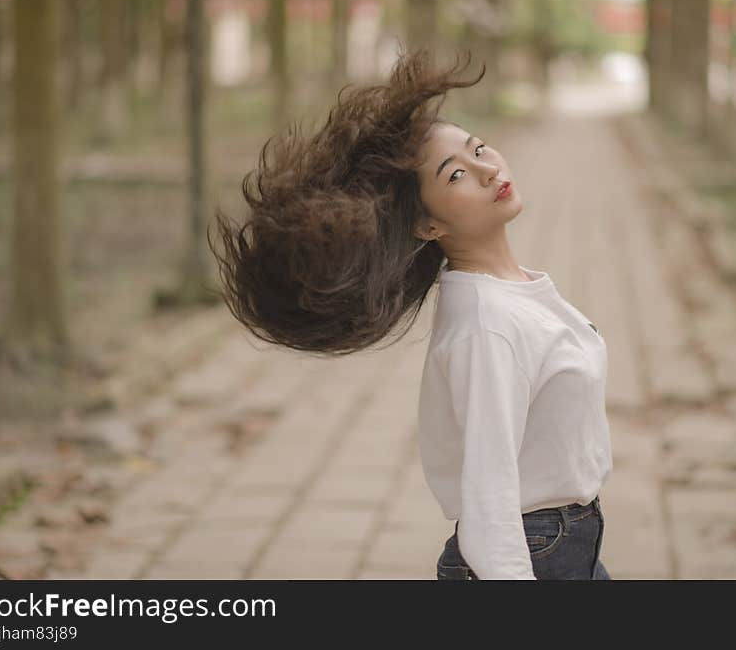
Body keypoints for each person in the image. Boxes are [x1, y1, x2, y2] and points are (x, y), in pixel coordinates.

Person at [208, 47, 613, 580]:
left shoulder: (511, 293)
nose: (488, 169)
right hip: (532, 551)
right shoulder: (488, 325)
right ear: (427, 227)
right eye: (456, 176)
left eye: (479, 149)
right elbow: (489, 492)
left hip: (567, 540)